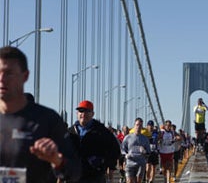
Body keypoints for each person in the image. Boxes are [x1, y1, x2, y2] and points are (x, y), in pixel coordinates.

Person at [0, 46, 81, 182]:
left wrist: (56, 160)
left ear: (25, 76)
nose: (2, 78)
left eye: (9, 73)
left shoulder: (47, 120)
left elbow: (75, 172)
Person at [68, 100, 121, 183]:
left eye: (87, 111)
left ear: (92, 114)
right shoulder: (69, 132)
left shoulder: (102, 131)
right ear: (77, 114)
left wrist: (107, 165)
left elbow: (115, 149)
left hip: (95, 176)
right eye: (81, 111)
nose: (83, 114)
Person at [122, 117, 151, 183]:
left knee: (138, 181)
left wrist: (144, 151)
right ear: (134, 125)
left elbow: (149, 152)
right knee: (129, 181)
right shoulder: (128, 137)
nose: (138, 127)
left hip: (140, 163)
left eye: (140, 125)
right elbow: (123, 149)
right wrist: (125, 155)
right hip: (130, 162)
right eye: (137, 125)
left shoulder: (145, 139)